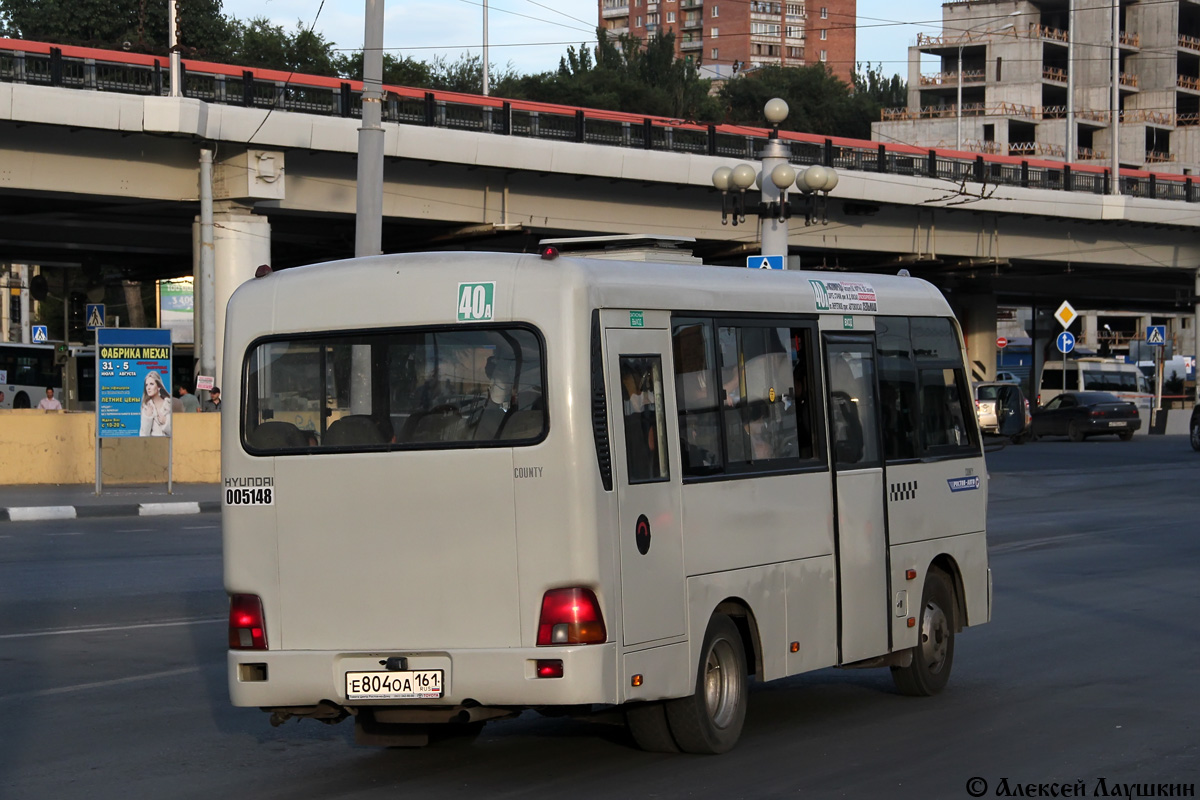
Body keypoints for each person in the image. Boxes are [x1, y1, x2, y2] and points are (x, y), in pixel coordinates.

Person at [140, 372, 172, 436]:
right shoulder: (146, 407)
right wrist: (147, 417)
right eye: (146, 385)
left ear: (158, 386)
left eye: (151, 384)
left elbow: (177, 432)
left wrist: (166, 422)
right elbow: (143, 435)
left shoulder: (169, 404)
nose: (148, 388)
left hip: (168, 444)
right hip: (153, 445)